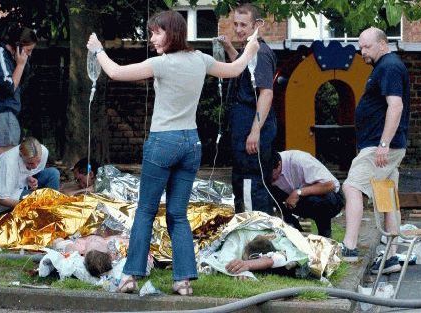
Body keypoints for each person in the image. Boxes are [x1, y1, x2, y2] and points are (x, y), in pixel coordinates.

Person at [87, 10, 259, 295]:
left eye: (156, 32)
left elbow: (115, 72)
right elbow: (236, 69)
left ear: (172, 33)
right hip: (191, 144)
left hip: (163, 143)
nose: (152, 38)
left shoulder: (162, 64)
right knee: (178, 214)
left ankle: (129, 277)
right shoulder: (201, 60)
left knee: (145, 211)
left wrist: (98, 50)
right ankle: (183, 281)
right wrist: (250, 48)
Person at [340, 27, 410, 274]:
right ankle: (390, 256)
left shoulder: (389, 66)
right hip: (385, 145)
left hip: (379, 146)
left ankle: (349, 247)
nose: (362, 52)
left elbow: (396, 106)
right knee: (386, 196)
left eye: (366, 46)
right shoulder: (385, 66)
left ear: (382, 44)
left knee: (352, 186)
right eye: (360, 47)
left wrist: (383, 144)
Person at [218, 3, 277, 215]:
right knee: (242, 180)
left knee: (251, 183)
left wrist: (255, 130)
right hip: (242, 128)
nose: (238, 29)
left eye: (244, 25)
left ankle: (254, 235)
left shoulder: (260, 53)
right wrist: (229, 48)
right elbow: (242, 69)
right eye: (235, 24)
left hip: (252, 129)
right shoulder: (249, 50)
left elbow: (266, 93)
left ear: (256, 25)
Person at [0, 27, 37, 161]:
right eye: (28, 50)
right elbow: (8, 87)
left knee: (10, 164)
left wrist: (22, 64)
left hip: (8, 114)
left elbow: (20, 83)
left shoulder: (13, 59)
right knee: (4, 165)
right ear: (18, 46)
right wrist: (21, 65)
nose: (29, 55)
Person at [270, 151, 344, 238]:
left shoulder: (299, 160)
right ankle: (297, 233)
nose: (270, 178)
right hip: (295, 200)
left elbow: (330, 185)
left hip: (330, 197)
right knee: (269, 195)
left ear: (279, 164)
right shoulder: (266, 168)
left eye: (271, 174)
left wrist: (298, 192)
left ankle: (325, 234)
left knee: (317, 201)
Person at [0, 137, 60, 215]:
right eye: (30, 163)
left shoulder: (44, 152)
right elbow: (0, 199)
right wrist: (28, 205)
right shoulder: (9, 162)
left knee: (53, 173)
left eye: (38, 161)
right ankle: (43, 210)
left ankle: (49, 208)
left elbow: (27, 172)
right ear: (20, 155)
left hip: (22, 186)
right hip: (2, 198)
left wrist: (30, 177)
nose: (35, 166)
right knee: (38, 201)